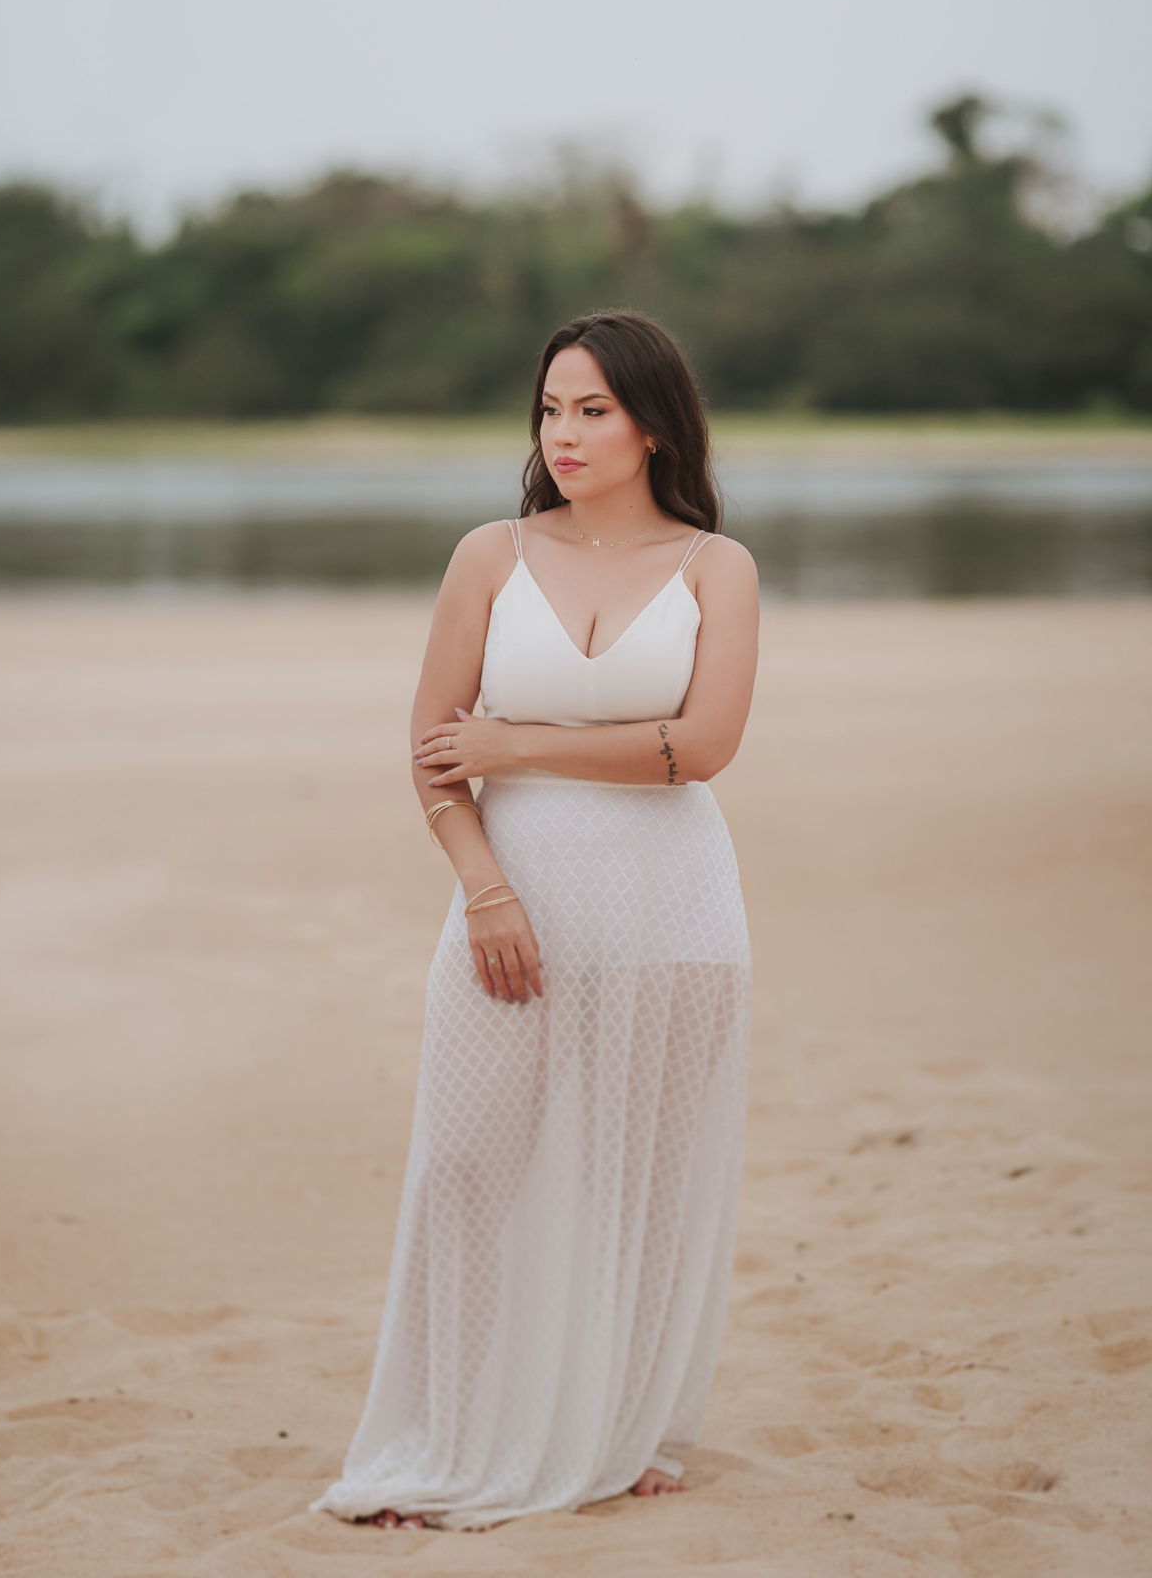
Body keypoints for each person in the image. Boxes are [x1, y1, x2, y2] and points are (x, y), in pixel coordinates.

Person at [313, 309, 759, 1532]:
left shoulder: (717, 567)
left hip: (675, 908)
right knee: (468, 1168)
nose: (563, 432)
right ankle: (445, 1433)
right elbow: (431, 758)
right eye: (552, 408)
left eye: (593, 409)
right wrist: (486, 888)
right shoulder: (491, 555)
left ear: (654, 423)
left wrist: (520, 741)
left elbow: (705, 748)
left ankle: (629, 1430)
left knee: (646, 1178)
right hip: (515, 901)